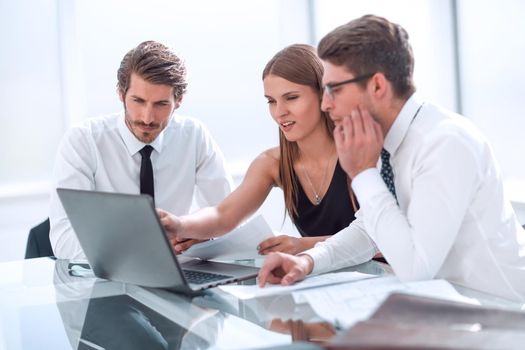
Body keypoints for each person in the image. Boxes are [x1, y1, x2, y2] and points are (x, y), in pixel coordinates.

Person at [258, 15, 525, 302]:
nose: (325, 104)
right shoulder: (388, 143)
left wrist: (362, 173)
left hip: (507, 314)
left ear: (377, 86)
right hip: (454, 311)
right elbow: (369, 230)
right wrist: (307, 261)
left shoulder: (444, 142)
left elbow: (415, 267)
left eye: (334, 89)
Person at [159, 44, 358, 255]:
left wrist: (305, 245)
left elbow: (384, 238)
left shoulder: (362, 153)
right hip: (323, 280)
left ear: (323, 95)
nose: (279, 112)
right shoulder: (272, 163)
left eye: (291, 98)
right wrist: (180, 224)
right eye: (271, 101)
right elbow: (223, 214)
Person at [49, 40, 233, 259]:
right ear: (121, 93)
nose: (147, 118)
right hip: (108, 276)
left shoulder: (193, 136)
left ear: (179, 100)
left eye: (161, 104)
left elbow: (228, 217)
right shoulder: (83, 141)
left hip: (179, 270)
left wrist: (205, 234)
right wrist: (133, 255)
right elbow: (64, 241)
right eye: (138, 101)